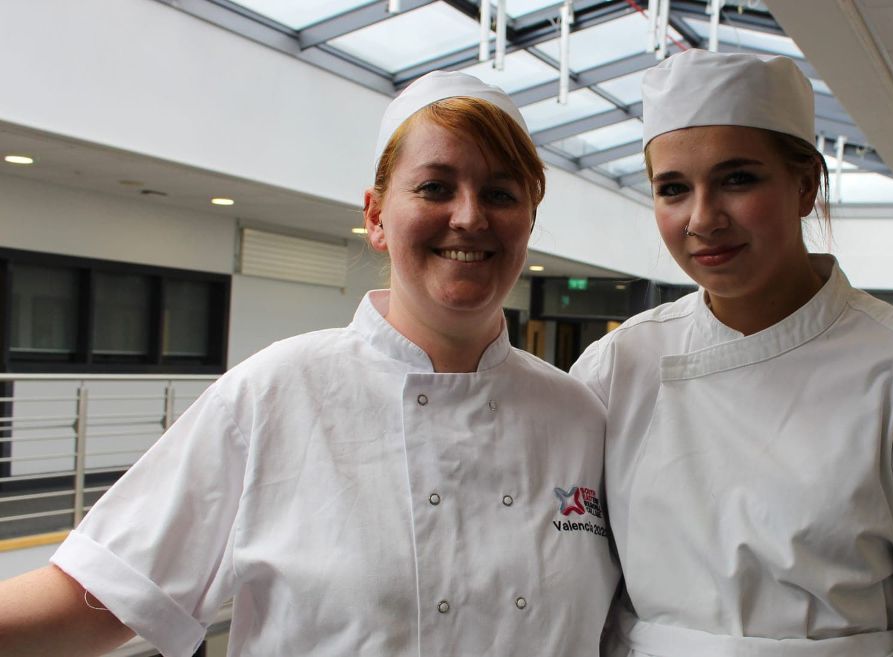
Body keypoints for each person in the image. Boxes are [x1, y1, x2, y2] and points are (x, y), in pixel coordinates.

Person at [0, 72, 619, 657]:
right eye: (435, 187)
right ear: (376, 217)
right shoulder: (277, 392)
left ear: (529, 219)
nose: (469, 216)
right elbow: (92, 599)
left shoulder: (577, 416)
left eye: (501, 193)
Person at [571, 49, 893, 656]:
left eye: (738, 179)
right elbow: (564, 582)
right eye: (673, 189)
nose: (703, 218)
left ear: (805, 186)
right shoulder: (616, 368)